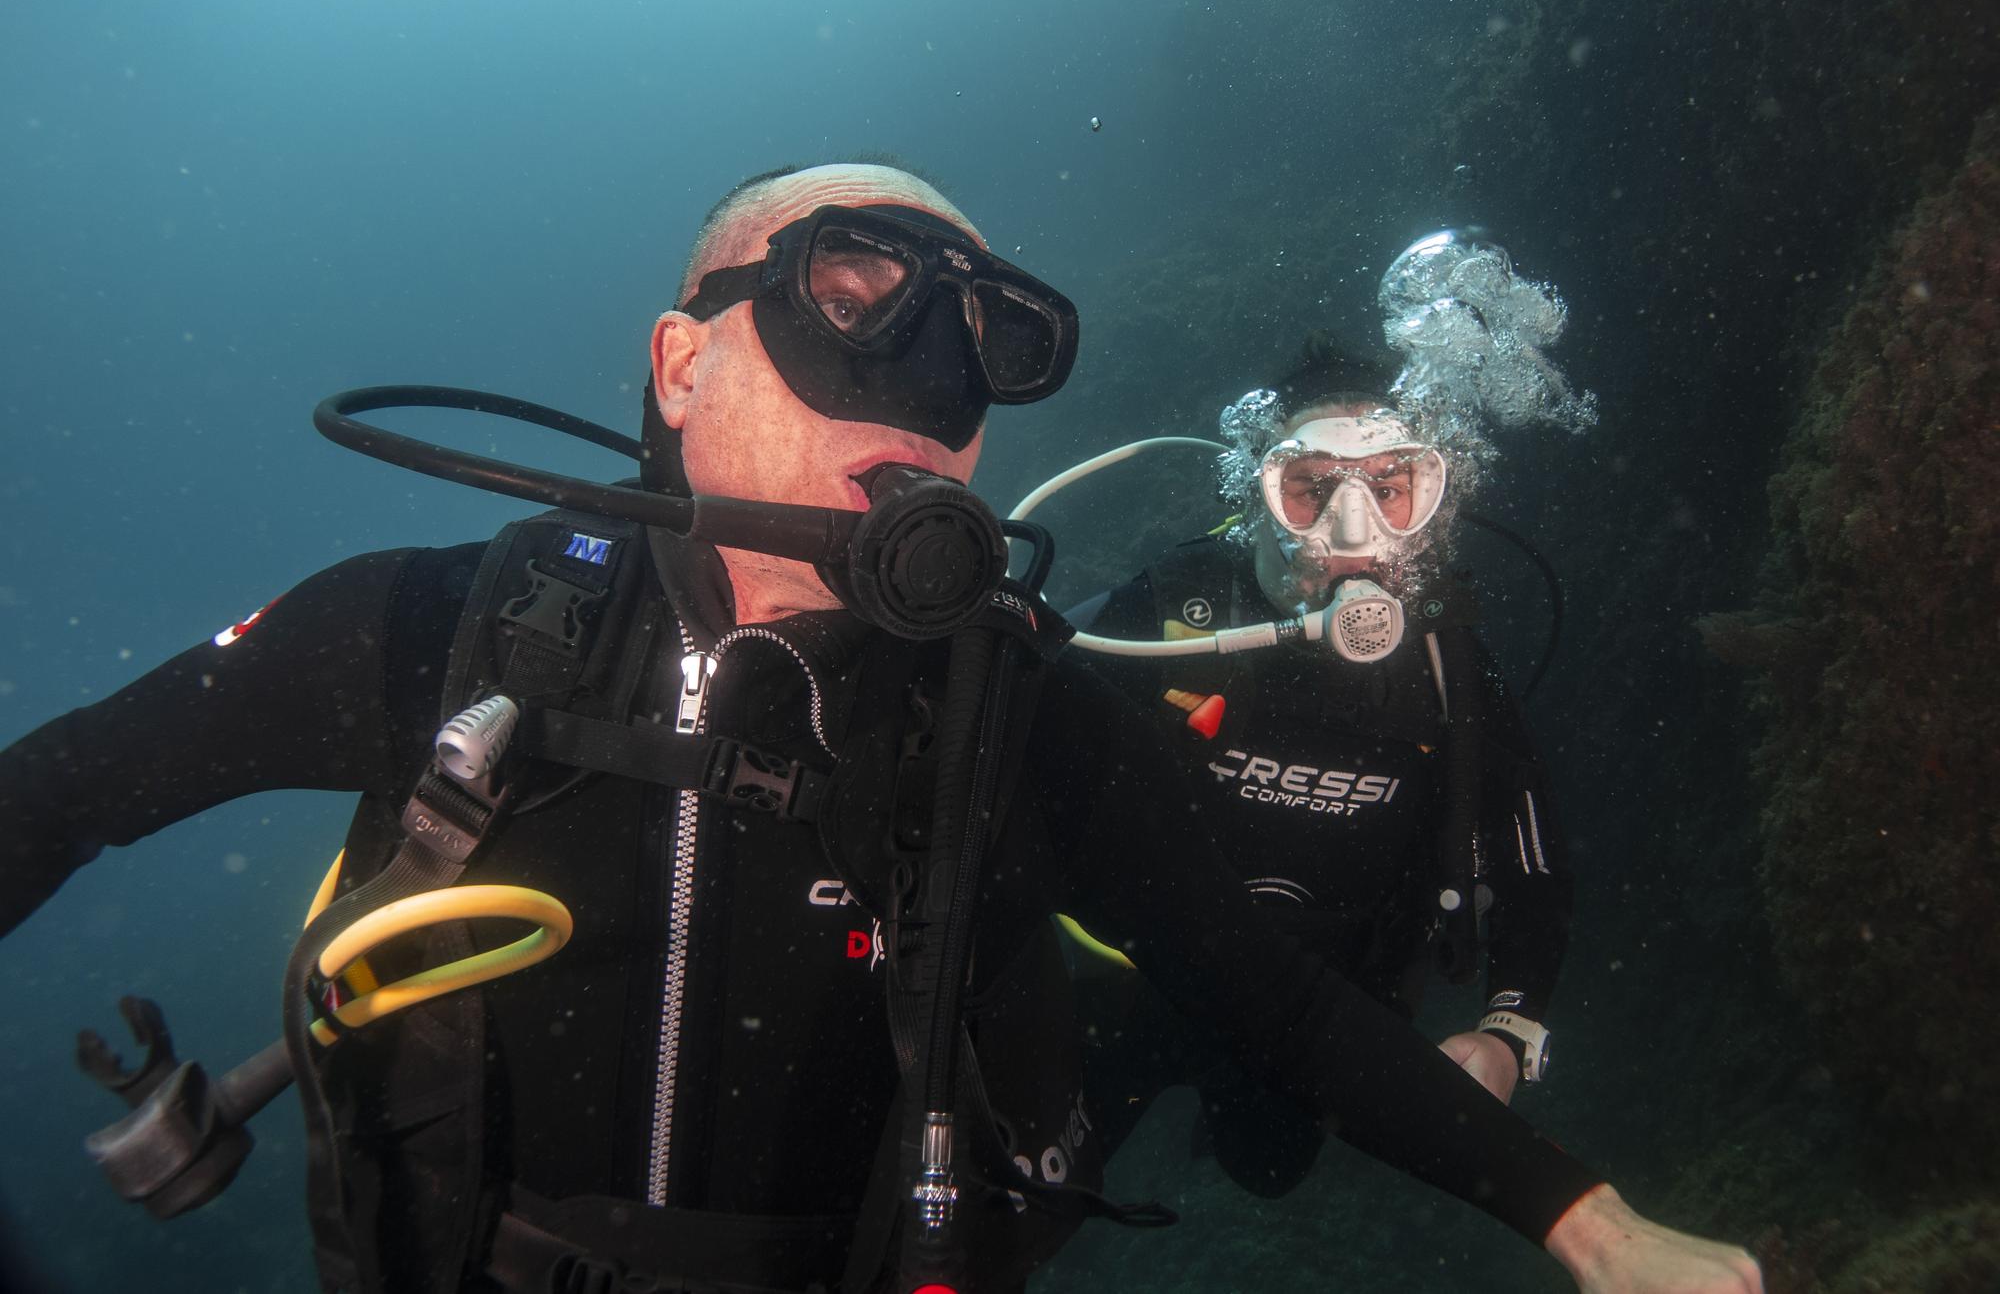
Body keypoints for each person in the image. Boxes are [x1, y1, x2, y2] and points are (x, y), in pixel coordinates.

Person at [0, 163, 1761, 1294]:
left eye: (984, 334)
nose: (932, 370)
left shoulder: (1021, 711)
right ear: (684, 364)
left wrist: (1589, 1224)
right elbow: (60, 788)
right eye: (856, 295)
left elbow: (1276, 998)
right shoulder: (424, 625)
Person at [1063, 339, 1570, 1200]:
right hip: (1125, 981)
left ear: (1427, 502)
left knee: (1268, 1169)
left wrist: (1508, 1029)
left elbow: (1530, 859)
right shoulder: (1177, 608)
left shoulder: (1449, 668)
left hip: (1318, 1016)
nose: (1351, 527)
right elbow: (1024, 705)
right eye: (1312, 486)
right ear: (1262, 497)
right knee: (1031, 1188)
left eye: (1387, 485)